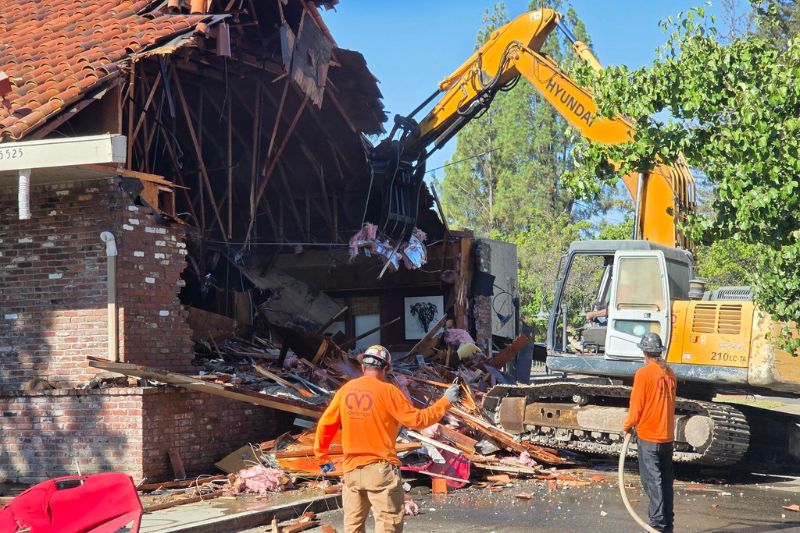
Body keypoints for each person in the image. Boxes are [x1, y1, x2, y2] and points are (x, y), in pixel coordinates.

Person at [315, 345, 460, 533]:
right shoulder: (388, 391)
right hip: (379, 471)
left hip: (351, 471)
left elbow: (326, 424)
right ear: (385, 369)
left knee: (352, 527)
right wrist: (445, 401)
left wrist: (321, 456)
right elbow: (418, 420)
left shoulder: (346, 390)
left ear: (363, 366)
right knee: (387, 526)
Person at [623, 332, 677, 533]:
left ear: (644, 352)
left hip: (649, 436)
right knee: (664, 481)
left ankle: (657, 527)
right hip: (666, 437)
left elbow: (636, 406)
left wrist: (628, 426)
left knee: (652, 483)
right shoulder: (669, 373)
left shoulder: (644, 373)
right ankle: (667, 526)